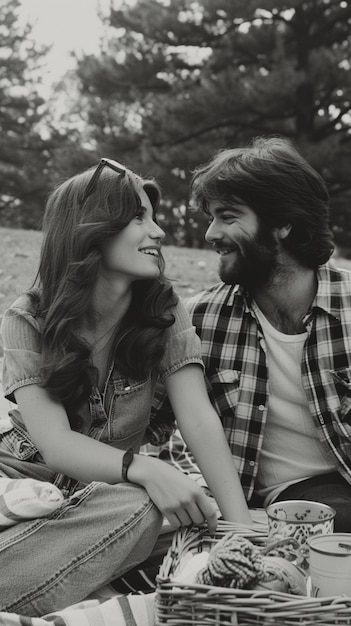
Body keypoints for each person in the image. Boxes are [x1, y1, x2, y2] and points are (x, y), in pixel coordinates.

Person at [0, 158, 251, 616]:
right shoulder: (27, 318)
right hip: (23, 478)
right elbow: (54, 443)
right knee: (145, 502)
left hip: (108, 504)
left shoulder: (163, 309)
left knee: (197, 517)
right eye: (139, 218)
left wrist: (240, 529)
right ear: (90, 229)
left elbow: (197, 418)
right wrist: (147, 468)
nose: (158, 233)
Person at [152, 136, 351, 532]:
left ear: (281, 223)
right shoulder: (200, 319)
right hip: (288, 502)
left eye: (228, 216)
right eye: (211, 217)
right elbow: (146, 425)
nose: (210, 233)